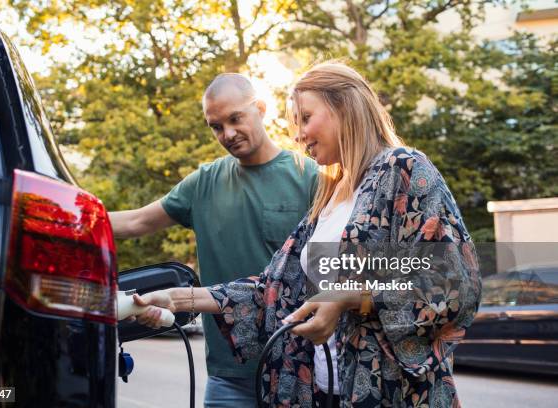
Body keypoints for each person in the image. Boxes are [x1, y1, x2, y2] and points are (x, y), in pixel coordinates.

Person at [133, 62, 481, 407]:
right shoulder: (331, 192)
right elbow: (274, 290)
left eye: (305, 119)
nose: (298, 135)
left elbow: (451, 279)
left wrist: (345, 297)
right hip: (323, 393)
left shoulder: (403, 169)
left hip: (392, 394)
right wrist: (178, 299)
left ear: (344, 107)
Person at [109, 73, 318, 407]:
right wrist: (67, 217)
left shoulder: (309, 176)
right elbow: (136, 220)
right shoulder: (203, 183)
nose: (228, 134)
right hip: (227, 378)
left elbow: (335, 276)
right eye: (216, 126)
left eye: (236, 119)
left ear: (260, 108)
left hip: (298, 371)